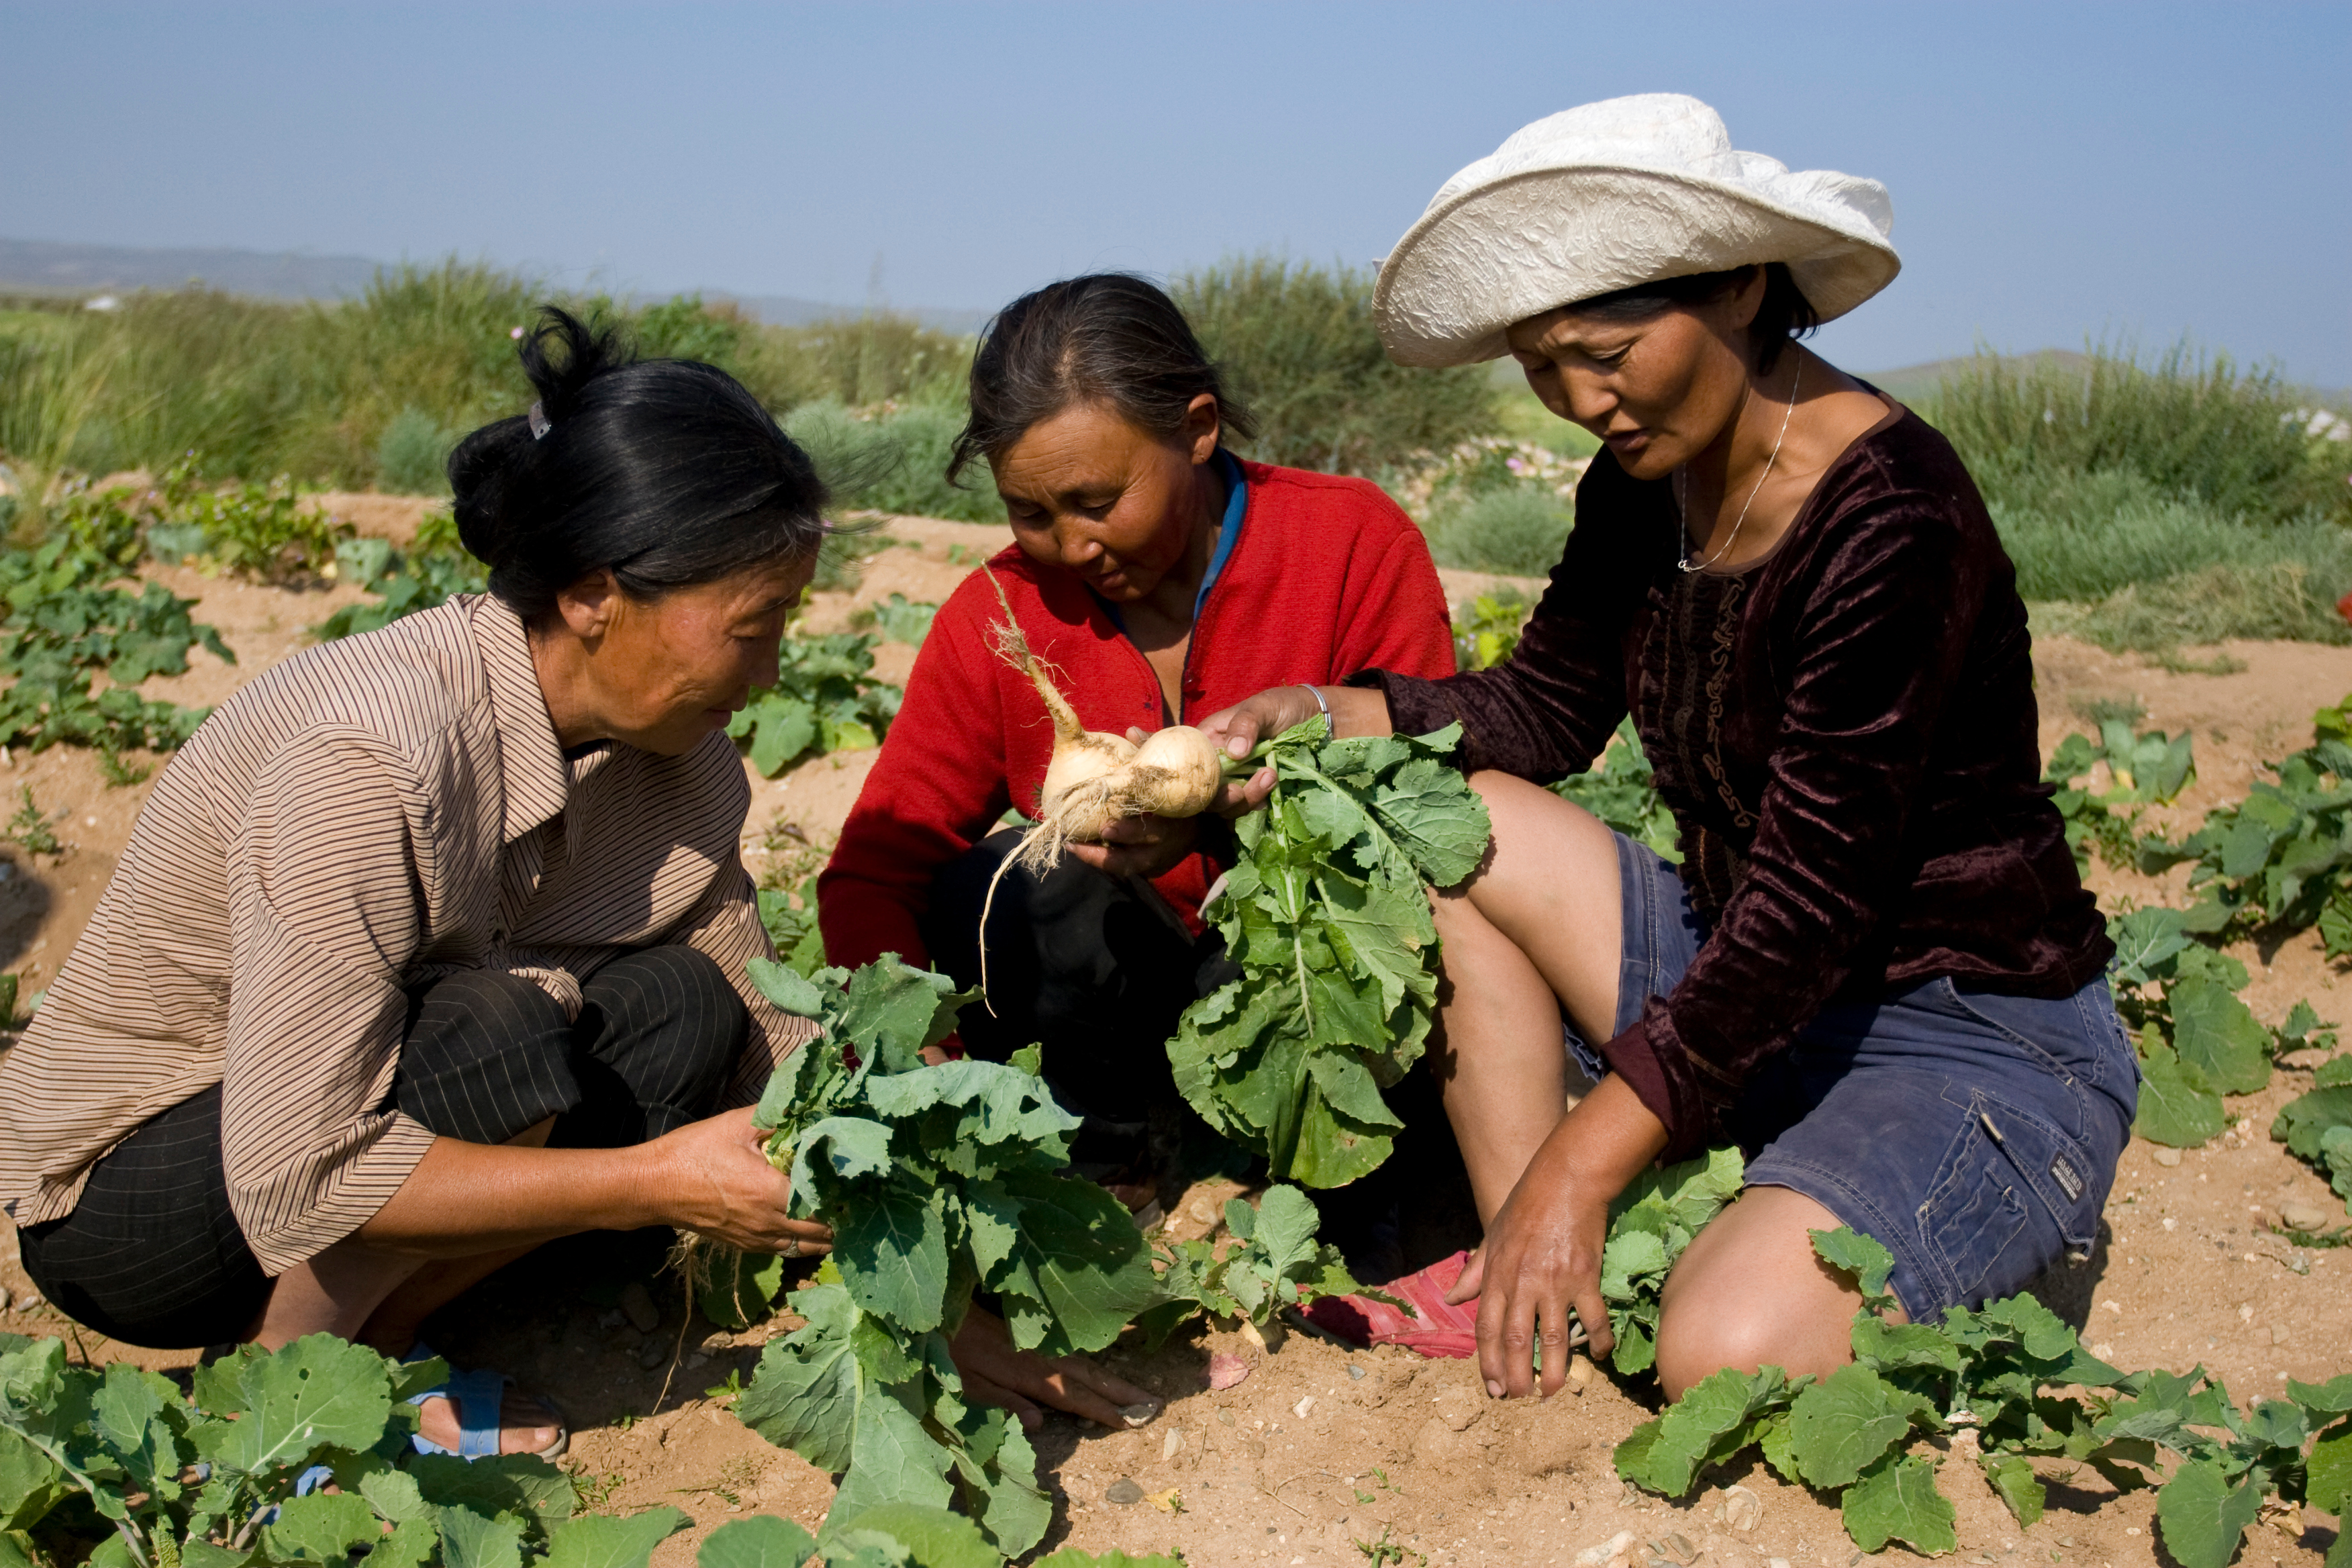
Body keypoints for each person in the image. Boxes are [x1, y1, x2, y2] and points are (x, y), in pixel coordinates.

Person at [0, 309, 1146, 1456]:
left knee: (685, 1009)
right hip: (137, 1199)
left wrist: (921, 1286)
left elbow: (765, 1021)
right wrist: (652, 1181)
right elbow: (296, 1174)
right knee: (499, 1037)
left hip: (351, 1113)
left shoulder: (674, 752)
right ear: (597, 595)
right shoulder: (370, 754)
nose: (771, 672)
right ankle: (282, 1398)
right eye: (752, 629)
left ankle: (384, 1336)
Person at [1206, 95, 2131, 1401]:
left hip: (1961, 1026)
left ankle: (1978, 1215)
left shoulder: (1894, 520)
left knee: (1717, 1353)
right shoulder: (1646, 483)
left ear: (1743, 285)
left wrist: (1581, 1163)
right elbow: (1540, 711)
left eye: (1609, 352)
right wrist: (1314, 710)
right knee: (1436, 824)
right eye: (1543, 366)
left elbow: (1809, 908)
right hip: (1750, 981)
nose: (1582, 401)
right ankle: (1525, 1276)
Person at [820, 274, 1455, 1171]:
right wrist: (909, 1046)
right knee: (1015, 882)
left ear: (1198, 429)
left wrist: (1217, 828)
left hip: (1301, 996)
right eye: (1030, 513)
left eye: (1097, 502)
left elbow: (1431, 805)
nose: (1073, 546)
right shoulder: (999, 612)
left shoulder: (1351, 542)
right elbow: (875, 870)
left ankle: (1295, 1165)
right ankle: (1108, 1164)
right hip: (1109, 1009)